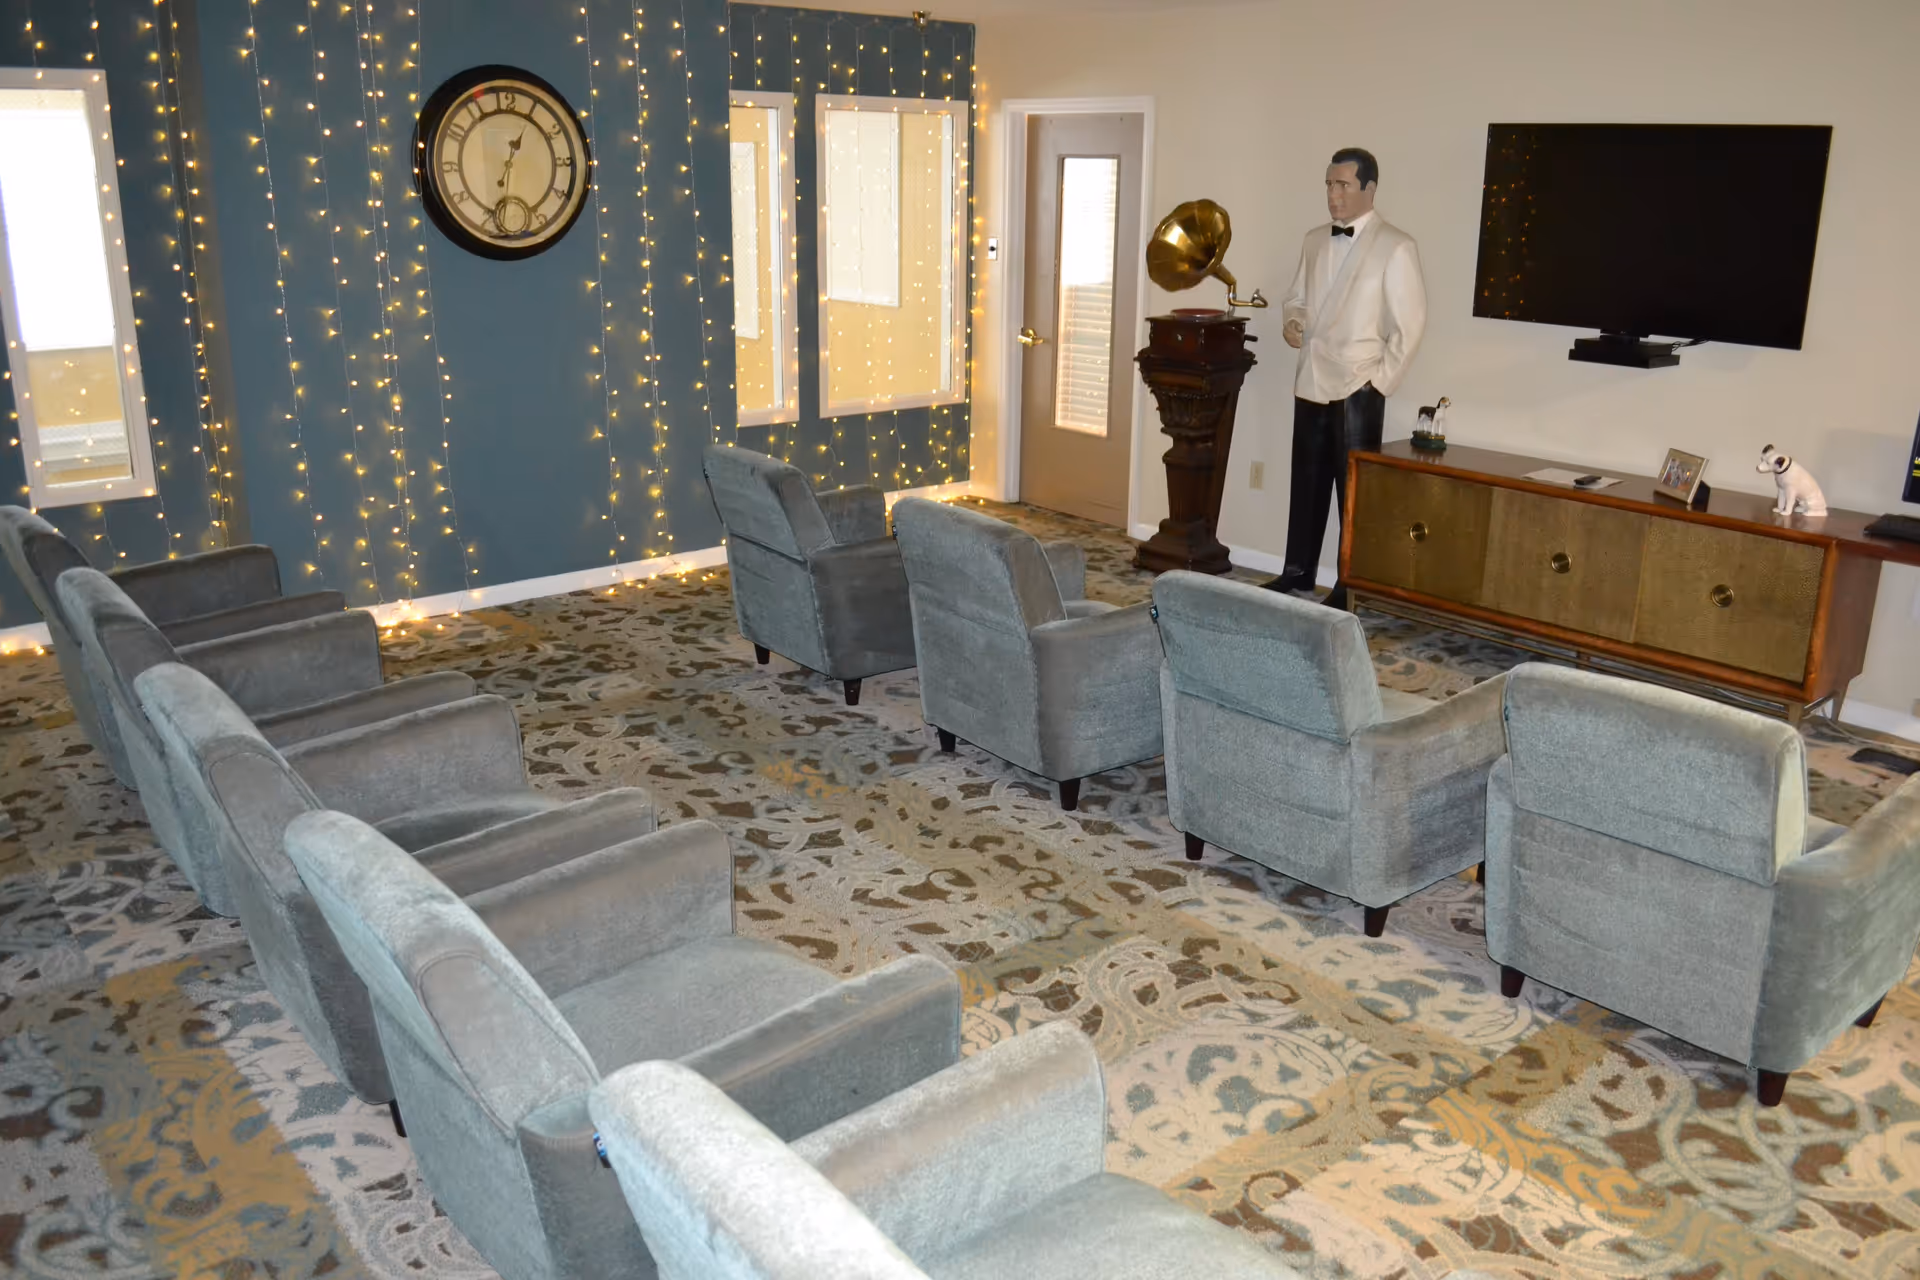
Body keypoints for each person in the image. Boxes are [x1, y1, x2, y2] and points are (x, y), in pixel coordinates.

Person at [1267, 147, 1427, 608]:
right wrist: (1292, 321)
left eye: (1343, 186)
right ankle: (1297, 571)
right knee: (1307, 482)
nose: (1333, 196)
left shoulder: (1397, 245)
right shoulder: (1315, 240)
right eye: (1329, 185)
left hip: (1359, 385)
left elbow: (1410, 324)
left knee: (1353, 496)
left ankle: (1347, 586)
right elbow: (1296, 297)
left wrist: (1378, 384)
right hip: (1311, 379)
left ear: (1369, 189)